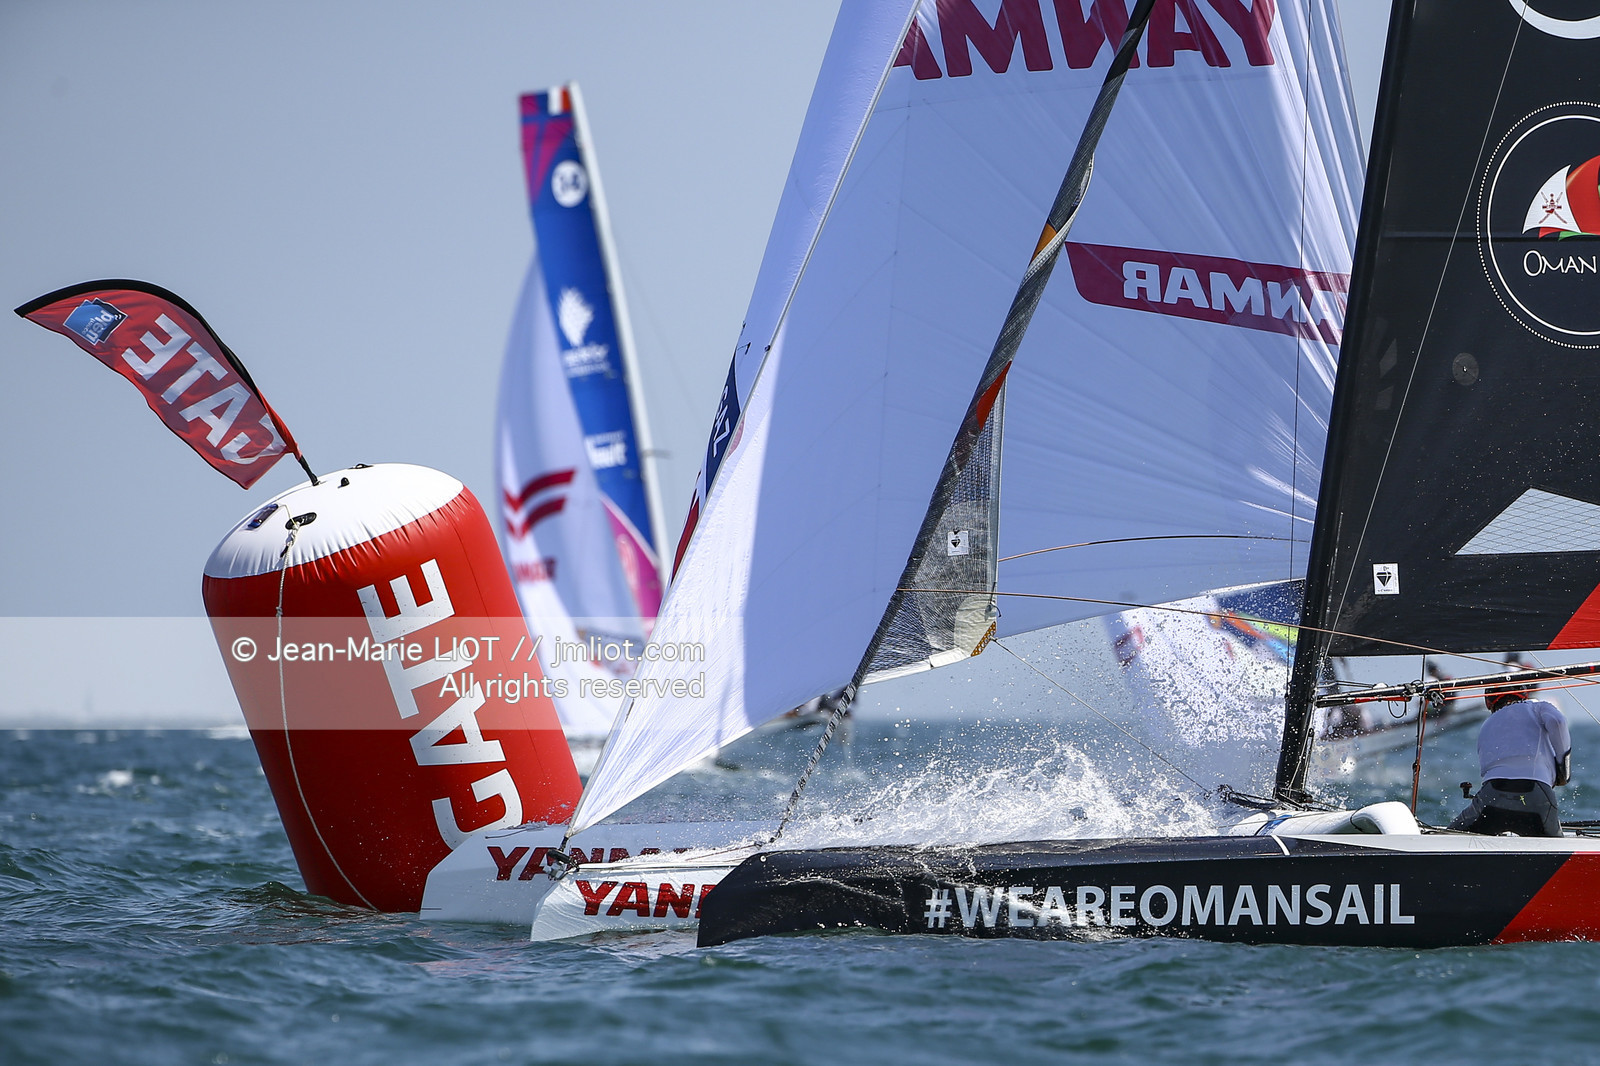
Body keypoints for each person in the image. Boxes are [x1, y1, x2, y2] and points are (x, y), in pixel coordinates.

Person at [1448, 686, 1571, 837]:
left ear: (1489, 702)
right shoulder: (1537, 707)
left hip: (1493, 795)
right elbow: (1558, 721)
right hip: (1537, 796)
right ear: (1524, 695)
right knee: (1556, 847)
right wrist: (1563, 771)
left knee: (1452, 834)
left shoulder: (1487, 724)